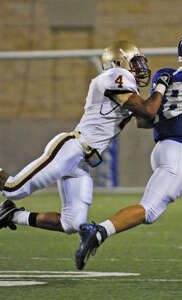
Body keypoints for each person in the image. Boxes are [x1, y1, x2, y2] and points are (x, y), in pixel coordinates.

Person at [75, 30, 182, 270]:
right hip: (179, 153)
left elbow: (144, 121)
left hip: (174, 151)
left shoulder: (166, 74)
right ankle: (99, 231)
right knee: (150, 210)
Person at [0, 41, 172, 235]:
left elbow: (145, 121)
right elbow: (148, 112)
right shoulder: (116, 75)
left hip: (82, 162)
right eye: (135, 61)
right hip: (71, 149)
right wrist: (160, 89)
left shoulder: (123, 86)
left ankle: (11, 214)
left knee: (72, 223)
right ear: (119, 62)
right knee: (13, 189)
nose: (140, 68)